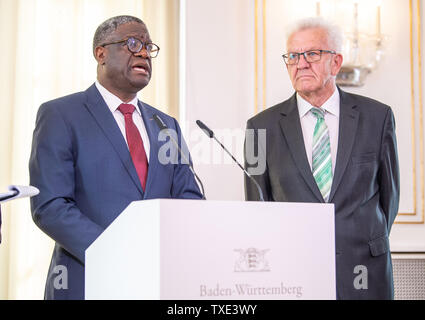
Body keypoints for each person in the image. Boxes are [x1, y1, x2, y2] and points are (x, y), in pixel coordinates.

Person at [29, 15, 203, 300]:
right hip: (87, 279)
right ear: (101, 53)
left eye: (149, 47)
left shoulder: (166, 124)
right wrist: (114, 251)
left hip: (157, 283)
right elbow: (50, 205)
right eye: (133, 43)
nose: (144, 53)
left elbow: (189, 198)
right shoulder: (61, 115)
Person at [244, 17, 399, 299]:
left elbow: (390, 197)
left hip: (365, 272)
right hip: (293, 275)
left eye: (312, 54)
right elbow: (258, 210)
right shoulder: (260, 128)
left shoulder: (378, 118)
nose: (301, 63)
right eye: (293, 56)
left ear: (336, 63)